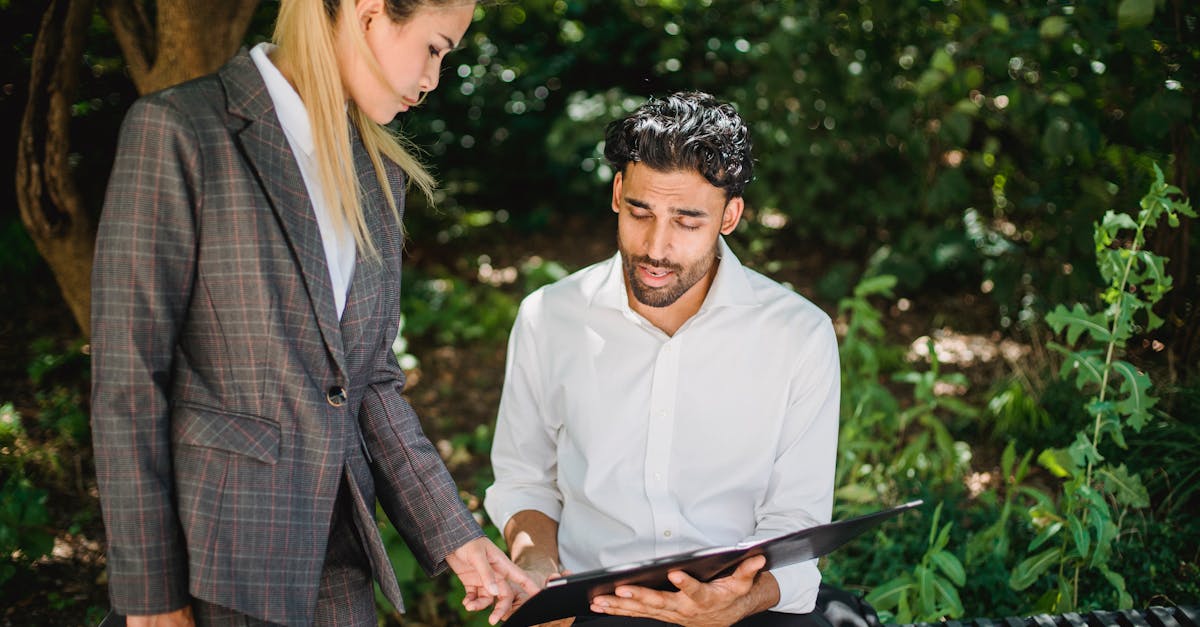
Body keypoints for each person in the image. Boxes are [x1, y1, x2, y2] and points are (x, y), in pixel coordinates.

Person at [90, 1, 536, 625]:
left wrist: (457, 539)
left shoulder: (380, 173)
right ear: (370, 13)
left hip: (336, 559)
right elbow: (129, 384)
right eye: (435, 48)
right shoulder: (181, 130)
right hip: (213, 566)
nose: (435, 79)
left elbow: (370, 382)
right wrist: (153, 603)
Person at [484, 92, 844, 626]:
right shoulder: (549, 317)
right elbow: (525, 479)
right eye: (640, 211)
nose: (656, 246)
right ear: (617, 194)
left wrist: (737, 601)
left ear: (730, 216)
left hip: (740, 610)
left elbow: (795, 522)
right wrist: (537, 565)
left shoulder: (799, 334)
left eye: (687, 221)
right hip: (589, 608)